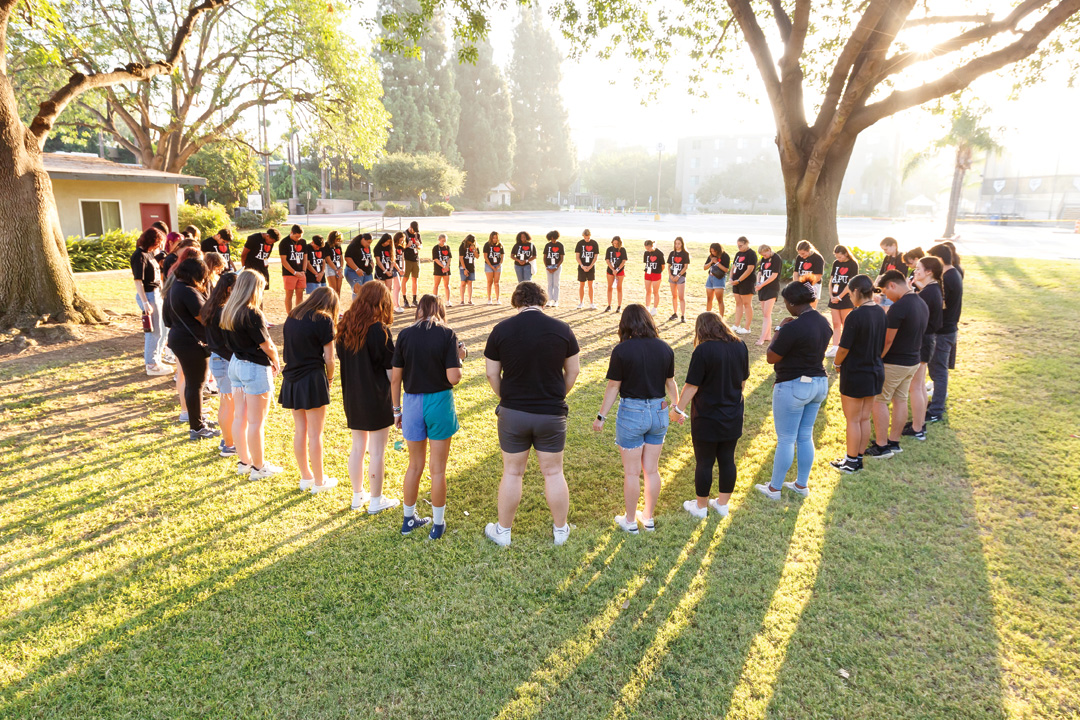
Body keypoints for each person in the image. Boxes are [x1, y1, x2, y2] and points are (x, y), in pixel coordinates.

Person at [483, 282, 580, 546]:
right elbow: (573, 372)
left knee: (513, 473)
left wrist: (506, 397)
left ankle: (503, 532)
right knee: (553, 472)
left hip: (513, 412)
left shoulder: (501, 330)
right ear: (543, 301)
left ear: (517, 301)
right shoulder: (562, 330)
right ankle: (561, 531)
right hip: (551, 413)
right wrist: (559, 395)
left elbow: (492, 374)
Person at [592, 304, 677, 532]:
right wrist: (676, 407)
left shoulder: (622, 350)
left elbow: (613, 386)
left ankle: (630, 522)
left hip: (632, 412)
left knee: (632, 472)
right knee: (652, 470)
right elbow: (671, 383)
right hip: (659, 411)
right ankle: (647, 518)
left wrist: (601, 416)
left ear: (625, 324)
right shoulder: (665, 348)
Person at [391, 295, 466, 540]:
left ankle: (408, 519)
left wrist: (396, 410)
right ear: (440, 310)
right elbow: (454, 377)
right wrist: (460, 359)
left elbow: (395, 378)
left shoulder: (404, 334)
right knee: (438, 470)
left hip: (412, 403)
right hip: (439, 401)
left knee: (414, 466)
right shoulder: (447, 334)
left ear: (419, 310)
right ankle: (437, 524)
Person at [756, 281, 831, 500]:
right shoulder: (824, 322)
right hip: (819, 383)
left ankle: (774, 488)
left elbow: (771, 356)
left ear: (791, 303)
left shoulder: (792, 327)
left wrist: (779, 329)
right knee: (805, 435)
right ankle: (801, 484)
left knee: (787, 439)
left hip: (794, 385)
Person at [670, 312, 749, 518]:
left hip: (707, 416)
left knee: (704, 461)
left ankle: (701, 507)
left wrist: (678, 409)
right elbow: (742, 383)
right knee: (727, 459)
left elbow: (691, 386)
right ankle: (722, 505)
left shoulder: (703, 350)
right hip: (732, 413)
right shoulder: (740, 345)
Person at [337, 281, 401, 513]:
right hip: (376, 397)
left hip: (352, 396)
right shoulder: (379, 331)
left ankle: (357, 496)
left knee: (357, 448)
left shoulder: (344, 327)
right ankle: (376, 500)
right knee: (377, 451)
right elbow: (391, 372)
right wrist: (397, 405)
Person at [222, 269, 283, 480]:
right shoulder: (251, 312)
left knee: (241, 416)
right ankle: (259, 467)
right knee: (257, 422)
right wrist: (276, 360)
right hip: (253, 366)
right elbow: (267, 345)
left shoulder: (228, 309)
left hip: (236, 364)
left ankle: (245, 462)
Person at [280, 287, 339, 493]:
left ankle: (306, 476)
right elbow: (330, 358)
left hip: (292, 377)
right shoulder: (324, 319)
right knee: (316, 434)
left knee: (300, 430)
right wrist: (330, 378)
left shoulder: (292, 315)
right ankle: (319, 482)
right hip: (312, 378)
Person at [865, 270, 929, 458]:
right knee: (900, 399)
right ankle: (894, 441)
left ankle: (882, 445)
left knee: (879, 401)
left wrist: (877, 359)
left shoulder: (899, 307)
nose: (886, 296)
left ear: (892, 285)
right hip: (913, 361)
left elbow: (888, 341)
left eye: (885, 292)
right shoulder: (921, 302)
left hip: (894, 362)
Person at [829, 275, 885, 473]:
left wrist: (836, 364)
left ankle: (851, 461)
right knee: (863, 418)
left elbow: (843, 348)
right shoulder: (880, 312)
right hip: (875, 371)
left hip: (855, 372)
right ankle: (857, 457)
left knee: (852, 419)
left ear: (855, 292)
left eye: (850, 293)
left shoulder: (855, 315)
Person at [164, 256, 219, 441]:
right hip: (191, 342)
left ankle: (198, 419)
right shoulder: (188, 291)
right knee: (196, 384)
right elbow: (203, 317)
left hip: (181, 339)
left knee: (194, 383)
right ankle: (197, 427)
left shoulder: (175, 287)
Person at [903, 256, 944, 441]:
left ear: (929, 272)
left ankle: (917, 428)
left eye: (918, 269)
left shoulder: (929, 293)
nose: (915, 271)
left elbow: (912, 310)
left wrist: (906, 290)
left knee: (916, 386)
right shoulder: (932, 289)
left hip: (923, 341)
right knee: (918, 386)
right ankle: (919, 424)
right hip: (927, 340)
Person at [201, 271, 238, 457]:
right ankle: (229, 444)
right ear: (230, 289)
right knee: (228, 404)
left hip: (217, 358)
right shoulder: (223, 310)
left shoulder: (212, 306)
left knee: (226, 402)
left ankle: (227, 438)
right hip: (224, 359)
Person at [925, 243, 963, 423]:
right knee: (937, 371)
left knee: (938, 372)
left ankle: (936, 410)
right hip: (948, 329)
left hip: (943, 332)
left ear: (939, 259)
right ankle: (935, 404)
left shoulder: (948, 277)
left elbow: (942, 304)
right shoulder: (953, 273)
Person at [131, 227, 171, 376]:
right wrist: (145, 302)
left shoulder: (149, 254)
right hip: (148, 294)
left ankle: (155, 359)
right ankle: (151, 364)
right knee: (153, 331)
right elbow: (138, 281)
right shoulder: (139, 256)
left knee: (160, 330)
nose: (160, 246)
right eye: (159, 242)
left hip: (155, 293)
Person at [825, 245, 860, 357]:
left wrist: (840, 296)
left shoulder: (853, 264)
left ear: (845, 254)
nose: (839, 259)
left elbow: (850, 283)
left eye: (840, 256)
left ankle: (846, 346)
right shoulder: (836, 263)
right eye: (837, 257)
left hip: (846, 296)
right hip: (834, 296)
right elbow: (832, 279)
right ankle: (835, 347)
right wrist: (831, 295)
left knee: (846, 323)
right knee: (836, 323)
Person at [755, 244, 782, 346]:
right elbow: (760, 272)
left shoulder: (776, 258)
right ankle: (768, 335)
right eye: (762, 255)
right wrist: (758, 283)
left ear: (769, 250)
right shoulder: (763, 259)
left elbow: (774, 275)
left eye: (765, 254)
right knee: (765, 313)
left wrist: (762, 284)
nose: (764, 257)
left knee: (766, 314)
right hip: (762, 288)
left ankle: (762, 338)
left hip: (771, 288)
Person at [729, 236, 757, 334]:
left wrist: (739, 280)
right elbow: (733, 266)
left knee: (747, 304)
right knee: (738, 303)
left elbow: (749, 269)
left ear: (746, 243)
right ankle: (736, 325)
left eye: (741, 246)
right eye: (738, 246)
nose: (739, 248)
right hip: (736, 282)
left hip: (746, 282)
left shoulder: (751, 254)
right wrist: (731, 277)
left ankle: (747, 327)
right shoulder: (738, 254)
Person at [278, 224, 307, 314]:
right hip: (289, 273)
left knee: (300, 294)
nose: (298, 238)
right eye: (296, 236)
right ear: (291, 233)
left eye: (300, 236)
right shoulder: (284, 242)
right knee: (289, 295)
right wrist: (294, 272)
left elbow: (305, 257)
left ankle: (298, 314)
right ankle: (289, 315)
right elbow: (284, 260)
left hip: (301, 273)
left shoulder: (303, 242)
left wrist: (303, 271)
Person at [792, 240, 825, 308]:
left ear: (809, 250)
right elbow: (796, 272)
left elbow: (818, 276)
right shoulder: (799, 258)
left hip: (814, 285)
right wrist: (796, 284)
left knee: (811, 307)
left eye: (803, 253)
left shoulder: (817, 258)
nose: (801, 256)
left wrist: (807, 286)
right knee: (801, 306)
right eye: (800, 253)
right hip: (801, 285)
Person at [874, 237, 904, 308]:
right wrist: (874, 287)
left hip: (893, 290)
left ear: (894, 245)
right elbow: (881, 274)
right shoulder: (887, 258)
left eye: (886, 249)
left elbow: (901, 276)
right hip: (884, 290)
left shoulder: (901, 258)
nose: (885, 251)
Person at [666, 236, 690, 322]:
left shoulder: (685, 254)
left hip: (680, 277)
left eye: (679, 243)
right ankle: (675, 313)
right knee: (674, 296)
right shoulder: (672, 253)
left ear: (682, 244)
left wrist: (678, 276)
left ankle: (683, 315)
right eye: (676, 243)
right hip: (672, 276)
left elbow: (685, 267)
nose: (677, 245)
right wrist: (671, 276)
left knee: (681, 297)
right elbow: (668, 266)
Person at [344, 233, 374, 298]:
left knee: (369, 291)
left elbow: (369, 257)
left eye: (370, 243)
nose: (369, 244)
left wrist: (372, 264)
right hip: (353, 271)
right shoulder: (353, 246)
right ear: (363, 239)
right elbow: (347, 258)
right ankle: (357, 307)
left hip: (367, 272)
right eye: (368, 242)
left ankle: (366, 307)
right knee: (358, 290)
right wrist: (357, 269)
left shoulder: (367, 247)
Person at [703, 242, 730, 315]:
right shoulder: (711, 256)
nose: (713, 253)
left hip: (719, 278)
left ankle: (721, 317)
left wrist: (717, 263)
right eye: (711, 251)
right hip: (710, 277)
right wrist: (711, 262)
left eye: (714, 251)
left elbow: (726, 270)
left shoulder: (725, 256)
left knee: (719, 299)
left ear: (718, 250)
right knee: (709, 299)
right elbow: (705, 267)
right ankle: (708, 316)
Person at [575, 229, 599, 309]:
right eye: (585, 238)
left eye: (588, 238)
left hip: (590, 267)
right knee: (582, 284)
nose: (587, 239)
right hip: (582, 267)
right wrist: (582, 266)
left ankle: (592, 303)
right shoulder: (580, 243)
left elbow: (596, 257)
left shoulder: (594, 243)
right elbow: (577, 257)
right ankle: (581, 302)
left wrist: (590, 266)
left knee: (590, 285)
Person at [604, 236, 628, 313]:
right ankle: (609, 305)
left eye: (617, 243)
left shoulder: (622, 250)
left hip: (620, 271)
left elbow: (624, 261)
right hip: (611, 270)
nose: (615, 245)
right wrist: (613, 269)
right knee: (610, 287)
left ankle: (619, 306)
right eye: (614, 243)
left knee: (619, 287)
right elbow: (607, 260)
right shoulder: (609, 249)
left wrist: (617, 270)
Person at [542, 230, 565, 307]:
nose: (553, 240)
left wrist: (556, 267)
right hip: (549, 266)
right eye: (552, 239)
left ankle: (556, 300)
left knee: (556, 283)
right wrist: (547, 267)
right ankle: (549, 299)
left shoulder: (560, 245)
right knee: (550, 283)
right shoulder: (547, 245)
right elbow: (544, 257)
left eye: (554, 238)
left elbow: (562, 258)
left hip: (556, 266)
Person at [642, 240, 665, 316]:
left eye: (648, 248)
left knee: (655, 291)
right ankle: (647, 307)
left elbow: (663, 266)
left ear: (652, 246)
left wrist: (658, 271)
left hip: (656, 274)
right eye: (646, 248)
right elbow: (646, 263)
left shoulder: (659, 253)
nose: (647, 250)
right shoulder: (646, 253)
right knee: (648, 291)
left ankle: (655, 308)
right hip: (648, 273)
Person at [403, 221, 423, 307]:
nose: (414, 232)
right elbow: (398, 247)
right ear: (410, 227)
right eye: (413, 230)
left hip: (416, 259)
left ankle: (414, 299)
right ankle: (405, 299)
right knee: (405, 279)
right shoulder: (404, 234)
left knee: (415, 279)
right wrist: (407, 246)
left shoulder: (417, 235)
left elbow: (421, 246)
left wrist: (419, 245)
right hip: (407, 259)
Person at [483, 231, 505, 304]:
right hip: (489, 265)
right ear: (491, 238)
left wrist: (499, 264)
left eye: (496, 238)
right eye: (493, 238)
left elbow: (502, 256)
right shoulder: (487, 245)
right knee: (489, 282)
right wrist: (491, 266)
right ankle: (489, 299)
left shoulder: (500, 245)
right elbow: (485, 256)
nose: (495, 239)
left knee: (496, 282)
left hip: (497, 265)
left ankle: (497, 299)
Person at [431, 233, 453, 306]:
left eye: (445, 240)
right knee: (436, 284)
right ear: (439, 240)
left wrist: (447, 266)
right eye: (442, 240)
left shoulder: (447, 247)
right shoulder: (435, 248)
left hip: (446, 268)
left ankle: (448, 300)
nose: (444, 242)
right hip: (438, 268)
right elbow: (436, 259)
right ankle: (434, 300)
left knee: (447, 285)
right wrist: (442, 266)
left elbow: (449, 257)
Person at [458, 234, 478, 305]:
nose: (470, 244)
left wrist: (474, 250)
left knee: (470, 282)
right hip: (463, 267)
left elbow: (477, 256)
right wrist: (464, 269)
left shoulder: (475, 246)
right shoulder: (462, 246)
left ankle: (470, 300)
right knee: (463, 282)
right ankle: (462, 300)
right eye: (469, 242)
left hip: (471, 266)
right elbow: (461, 258)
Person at [324, 231, 344, 297]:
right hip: (330, 267)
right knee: (333, 289)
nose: (338, 241)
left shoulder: (338, 246)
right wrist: (336, 270)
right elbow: (328, 260)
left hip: (339, 268)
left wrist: (340, 268)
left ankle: (337, 305)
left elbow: (341, 258)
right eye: (337, 239)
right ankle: (332, 305)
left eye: (339, 240)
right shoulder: (326, 245)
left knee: (338, 290)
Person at [392, 232, 406, 310]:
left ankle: (396, 304)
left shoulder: (401, 248)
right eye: (400, 240)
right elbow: (393, 260)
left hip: (400, 268)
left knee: (398, 287)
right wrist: (399, 269)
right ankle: (396, 305)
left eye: (403, 240)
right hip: (394, 268)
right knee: (397, 286)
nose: (402, 242)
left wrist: (403, 268)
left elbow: (403, 258)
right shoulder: (393, 247)